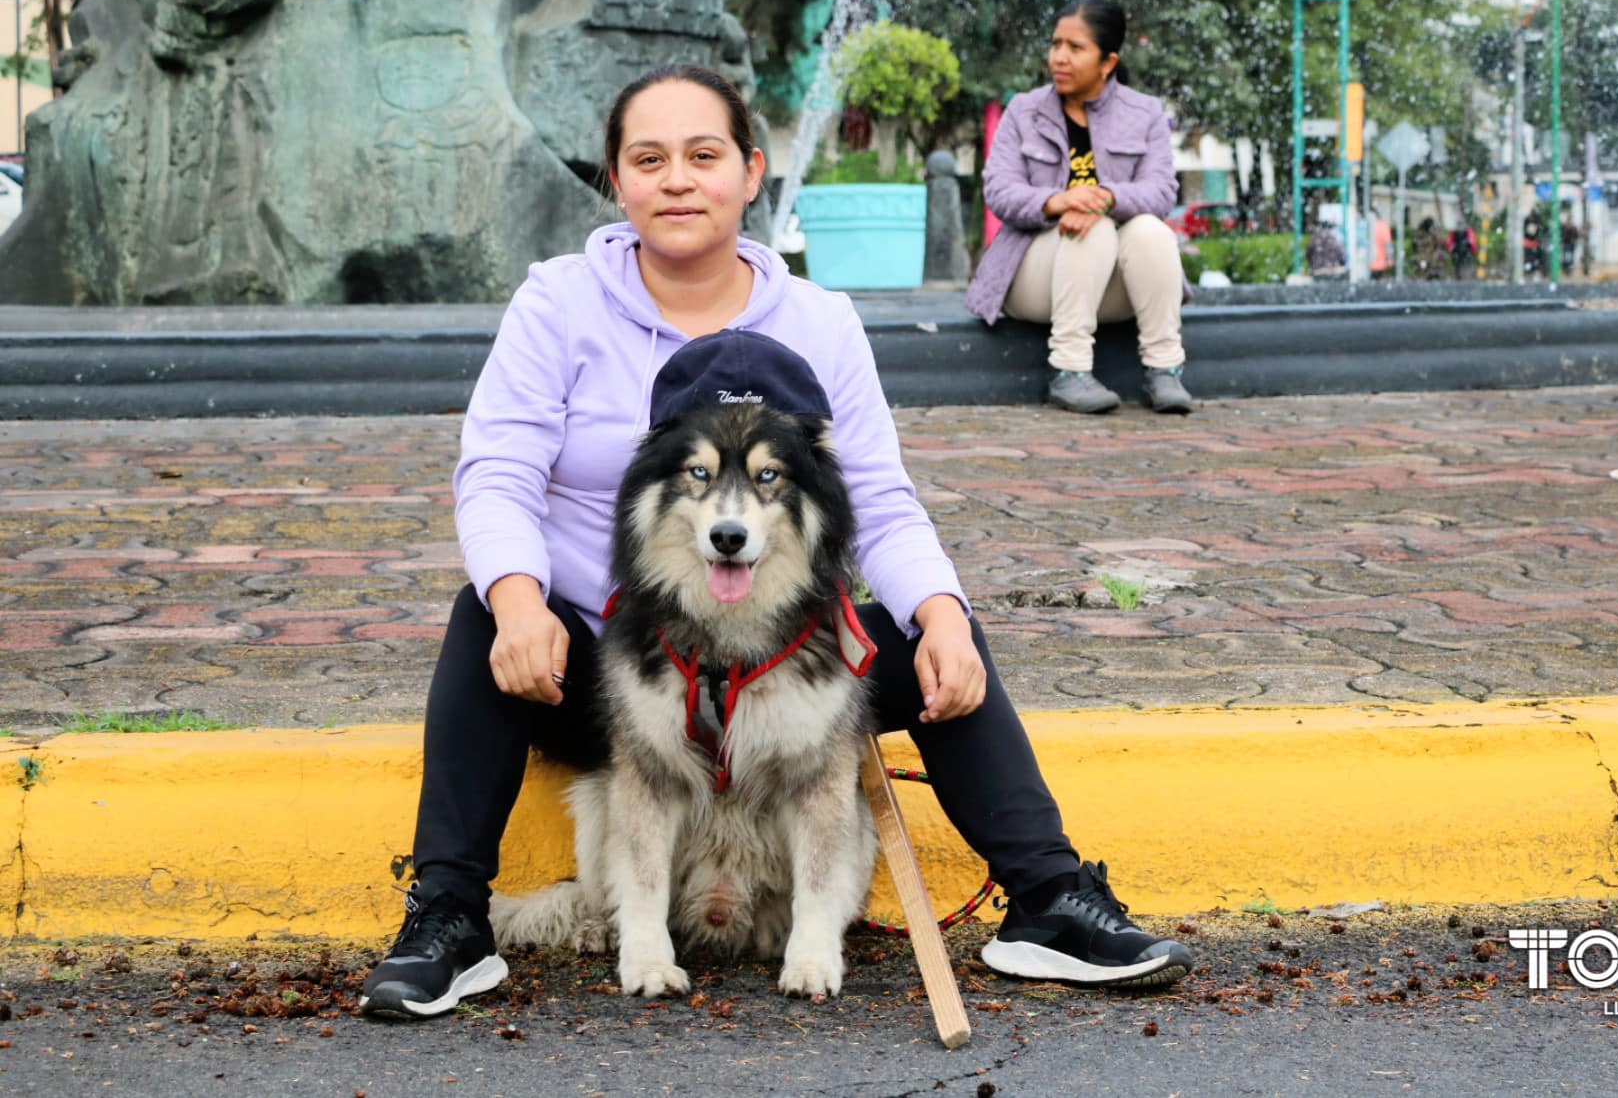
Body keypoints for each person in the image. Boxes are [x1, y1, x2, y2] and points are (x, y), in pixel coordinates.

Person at [358, 64, 1194, 1019]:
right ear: (617, 181)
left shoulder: (819, 320)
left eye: (703, 156)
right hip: (615, 665)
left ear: (751, 172)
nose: (677, 179)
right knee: (484, 616)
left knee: (936, 638)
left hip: (786, 655)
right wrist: (516, 597)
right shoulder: (558, 302)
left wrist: (943, 611)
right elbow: (497, 473)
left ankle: (1048, 900)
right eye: (650, 159)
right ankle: (449, 918)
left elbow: (877, 497)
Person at [966, 0, 1193, 415]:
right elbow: (999, 190)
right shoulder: (1025, 110)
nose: (1060, 58)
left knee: (1150, 231)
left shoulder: (1143, 113)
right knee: (1093, 228)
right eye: (1056, 45)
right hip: (1034, 279)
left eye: (1075, 47)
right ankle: (1070, 371)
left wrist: (1105, 198)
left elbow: (1162, 191)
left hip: (1112, 285)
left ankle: (1165, 369)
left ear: (1108, 62)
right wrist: (1058, 201)